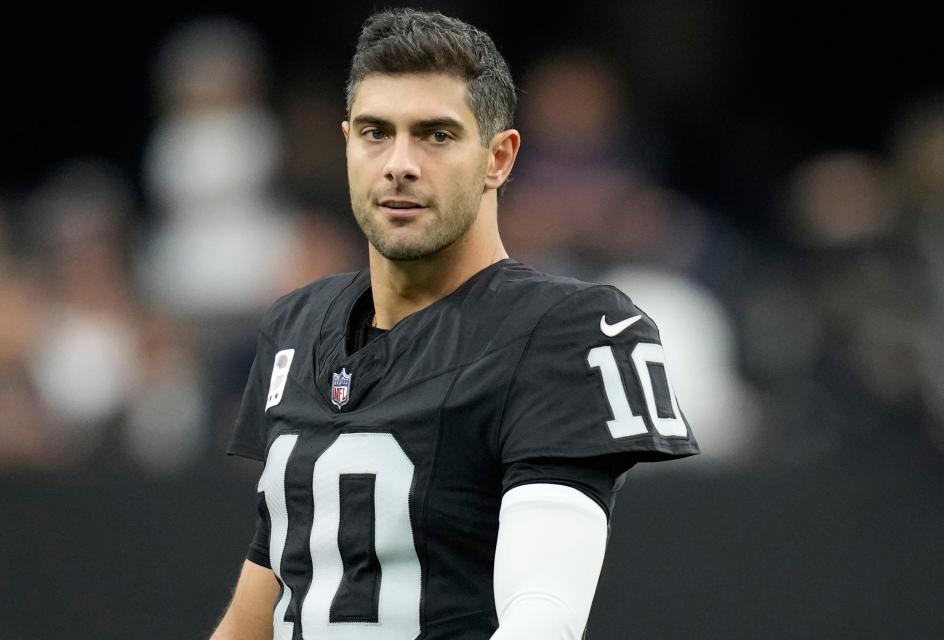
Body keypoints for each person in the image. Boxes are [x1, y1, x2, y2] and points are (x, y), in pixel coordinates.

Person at [210, 8, 698, 640]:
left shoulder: (561, 329)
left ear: (499, 158)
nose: (399, 164)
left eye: (436, 135)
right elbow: (268, 595)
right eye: (375, 132)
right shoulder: (297, 325)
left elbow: (544, 614)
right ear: (348, 144)